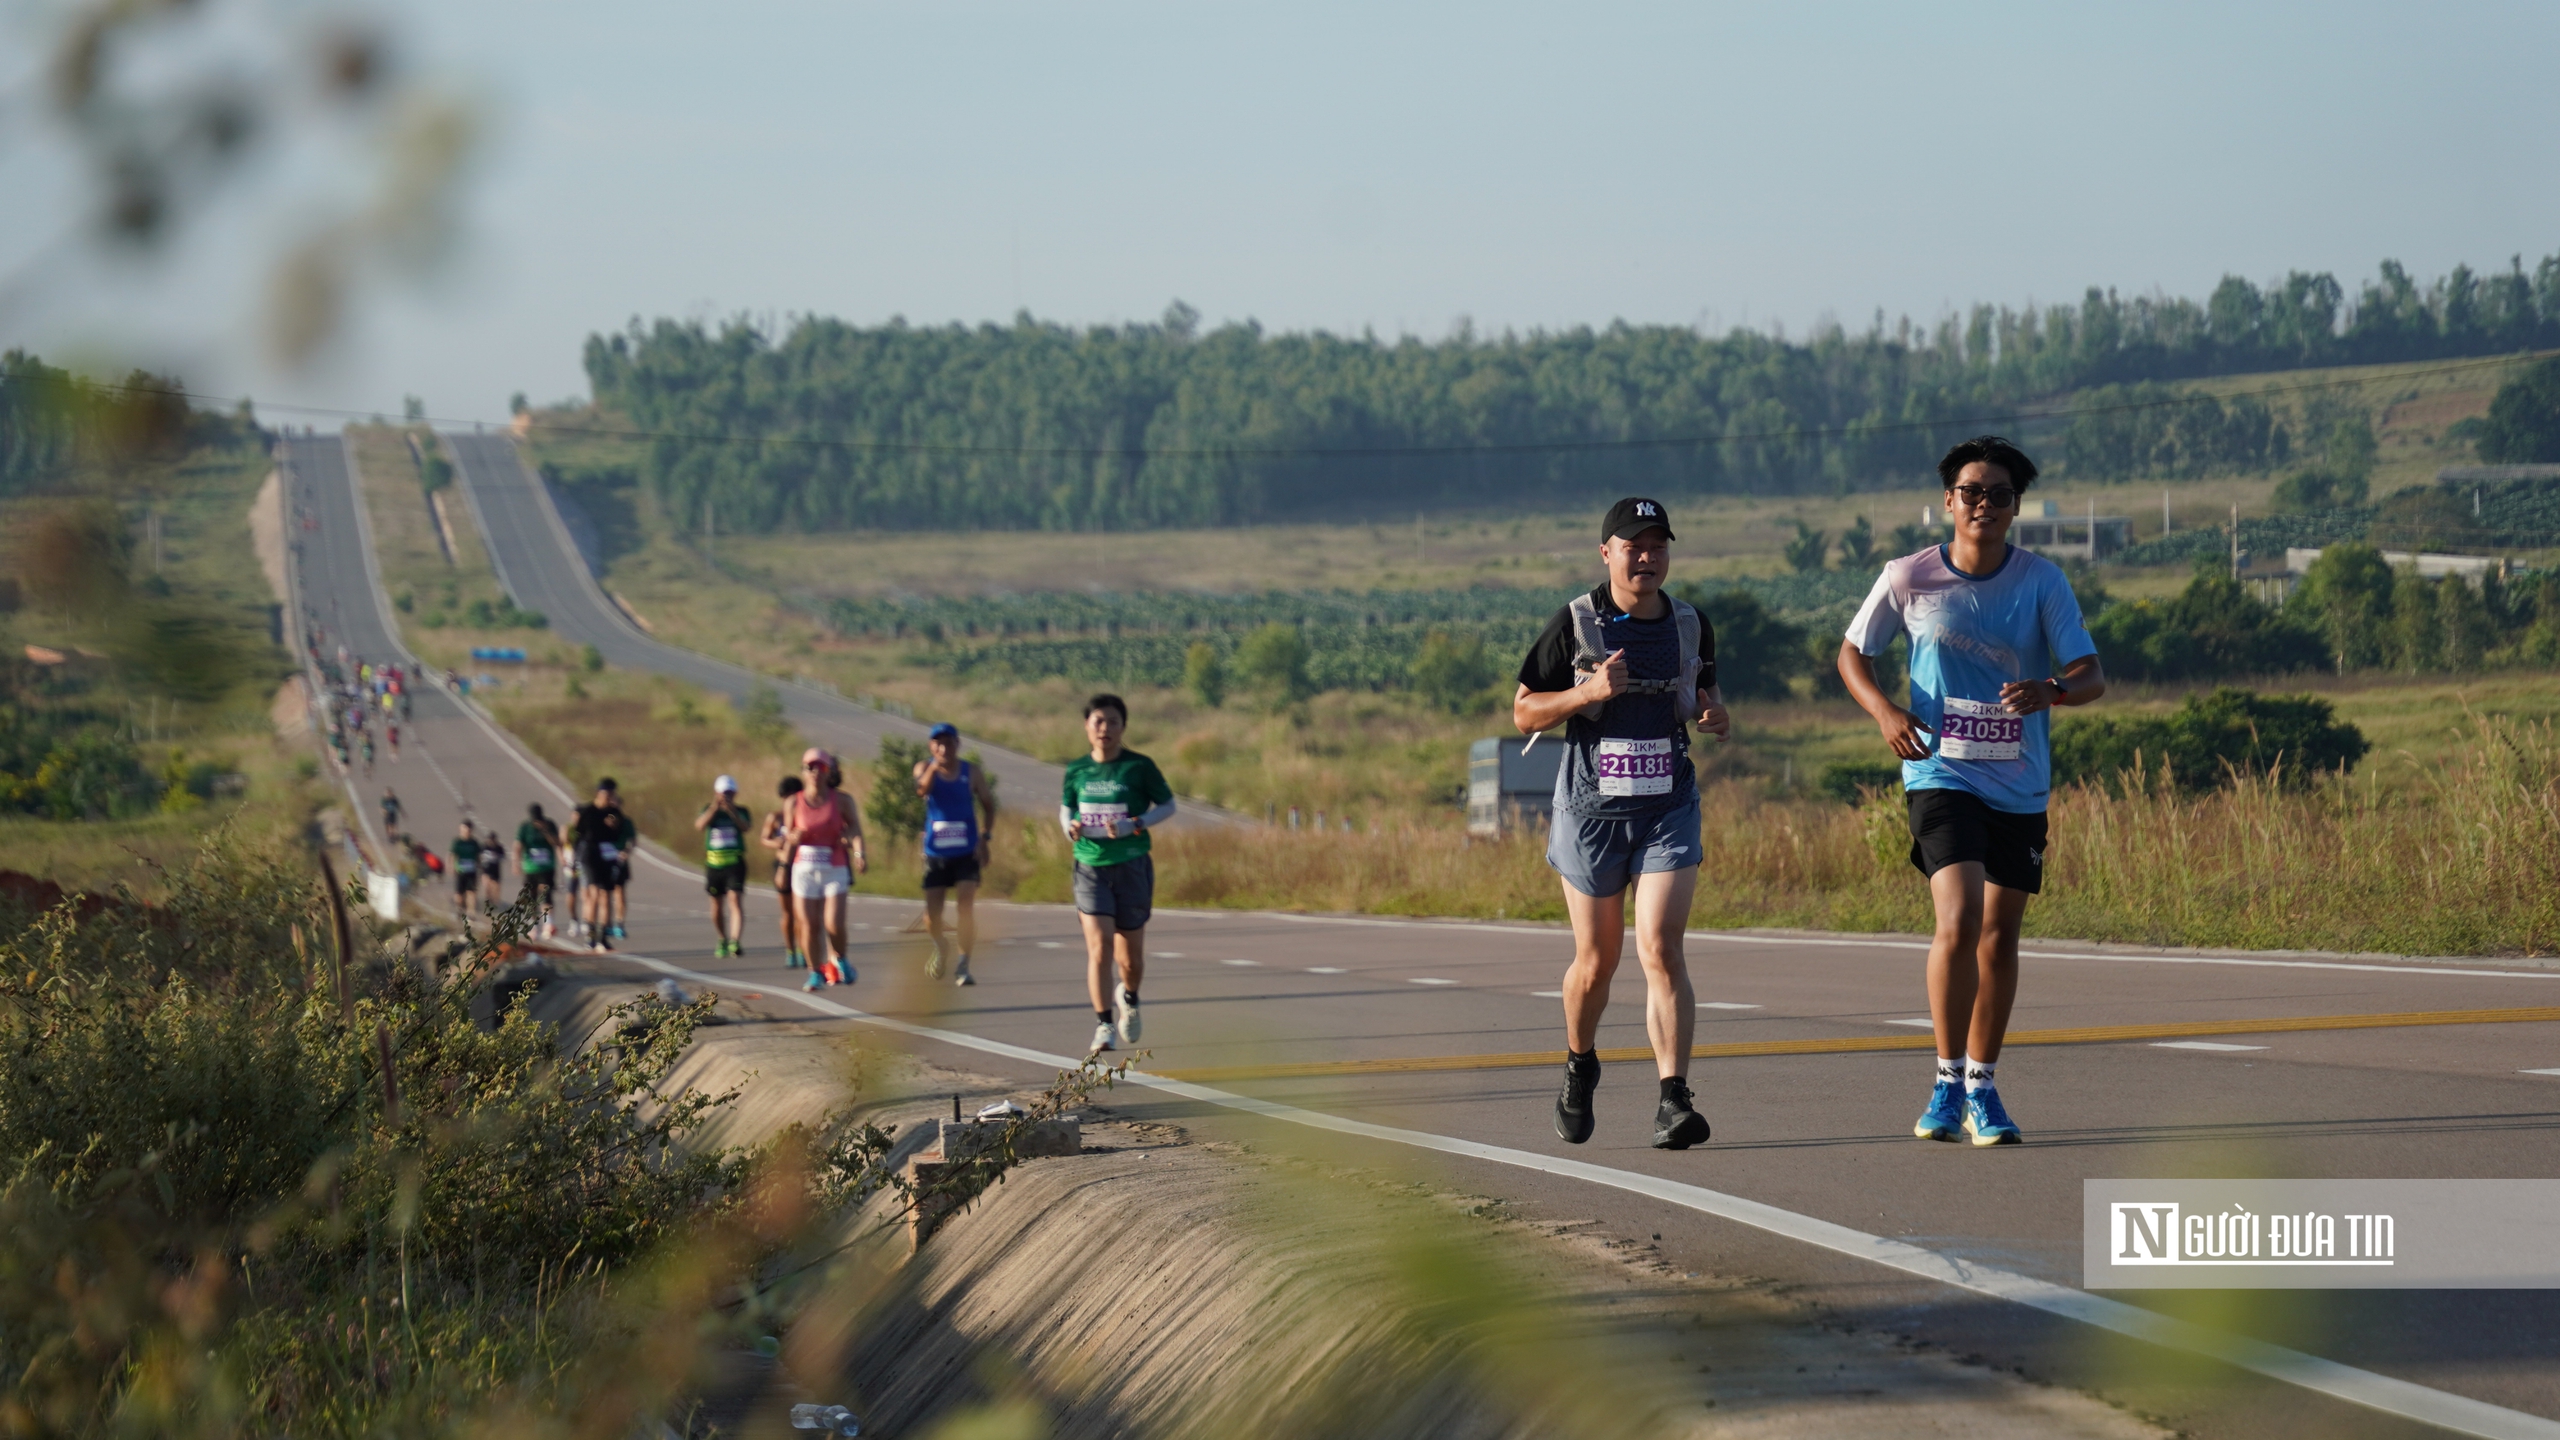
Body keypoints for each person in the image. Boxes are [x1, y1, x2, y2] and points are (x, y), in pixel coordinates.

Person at [1839, 436, 2105, 1148]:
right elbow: (1852, 652)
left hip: (2018, 780)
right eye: (1972, 492)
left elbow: (2090, 674)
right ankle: (1945, 1079)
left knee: (1998, 935)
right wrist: (1887, 713)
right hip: (1940, 771)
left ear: (2015, 508)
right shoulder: (1909, 576)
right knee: (1957, 918)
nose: (1984, 504)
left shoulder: (2042, 582)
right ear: (1948, 501)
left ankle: (1984, 1086)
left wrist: (2051, 689)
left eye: (2000, 495)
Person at [1513, 497, 1729, 1151]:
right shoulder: (1576, 622)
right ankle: (1580, 1065)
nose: (1646, 556)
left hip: (1668, 807)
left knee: (1661, 948)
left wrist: (1713, 715)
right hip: (1592, 814)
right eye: (1633, 545)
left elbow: (1705, 694)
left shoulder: (1690, 623)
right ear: (1606, 553)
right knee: (1597, 962)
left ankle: (1673, 1099)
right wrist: (1585, 694)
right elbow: (1523, 714)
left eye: (1658, 545)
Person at [1060, 694, 1173, 1056]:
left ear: (1123, 727)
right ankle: (1104, 1024)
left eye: (1112, 722)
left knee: (1129, 960)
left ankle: (1130, 997)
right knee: (1100, 948)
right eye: (1098, 721)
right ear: (1087, 727)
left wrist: (1135, 824)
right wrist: (1071, 828)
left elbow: (1168, 805)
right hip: (1091, 866)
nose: (1104, 728)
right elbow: (1066, 810)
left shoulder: (1139, 767)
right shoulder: (1077, 769)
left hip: (1132, 866)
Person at [914, 722, 996, 986]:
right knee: (932, 915)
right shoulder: (924, 768)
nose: (943, 748)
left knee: (965, 906)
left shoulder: (971, 772)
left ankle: (963, 964)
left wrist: (984, 837)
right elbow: (921, 791)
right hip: (936, 852)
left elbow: (988, 805)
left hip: (965, 851)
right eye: (938, 743)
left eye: (948, 743)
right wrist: (933, 769)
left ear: (957, 745)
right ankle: (940, 945)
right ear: (931, 746)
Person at [780, 748, 866, 990]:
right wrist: (785, 861)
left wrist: (859, 852)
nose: (816, 772)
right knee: (808, 924)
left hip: (834, 868)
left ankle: (841, 960)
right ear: (803, 771)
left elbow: (855, 829)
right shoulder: (792, 802)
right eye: (811, 767)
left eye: (822, 768)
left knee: (833, 924)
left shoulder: (841, 800)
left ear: (829, 772)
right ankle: (814, 971)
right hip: (804, 869)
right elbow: (788, 836)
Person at [695, 775, 753, 958]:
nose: (726, 797)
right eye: (723, 793)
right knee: (716, 905)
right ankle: (722, 938)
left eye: (729, 793)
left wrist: (732, 812)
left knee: (735, 900)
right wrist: (714, 808)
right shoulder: (709, 810)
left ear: (734, 793)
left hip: (734, 863)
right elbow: (699, 825)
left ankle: (735, 940)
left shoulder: (742, 810)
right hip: (714, 863)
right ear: (716, 793)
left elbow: (745, 827)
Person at [568, 781, 624, 950]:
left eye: (612, 795)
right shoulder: (588, 812)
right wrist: (575, 860)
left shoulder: (614, 813)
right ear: (599, 794)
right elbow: (578, 836)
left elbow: (617, 835)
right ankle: (591, 934)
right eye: (607, 795)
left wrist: (613, 826)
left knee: (606, 896)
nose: (609, 799)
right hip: (589, 856)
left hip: (607, 856)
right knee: (593, 894)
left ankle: (602, 936)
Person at [762, 775, 807, 968]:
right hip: (782, 866)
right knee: (787, 913)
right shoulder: (776, 817)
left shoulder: (805, 816)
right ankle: (790, 951)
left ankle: (802, 949)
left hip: (801, 865)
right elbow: (764, 838)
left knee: (801, 913)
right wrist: (775, 842)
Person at [519, 803, 562, 936]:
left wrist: (545, 831)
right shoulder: (525, 827)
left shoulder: (550, 824)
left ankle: (549, 924)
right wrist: (516, 861)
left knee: (546, 893)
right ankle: (533, 925)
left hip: (547, 866)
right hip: (530, 867)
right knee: (532, 896)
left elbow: (557, 843)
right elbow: (518, 844)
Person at [450, 820, 482, 917]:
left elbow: (478, 856)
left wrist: (480, 867)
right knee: (459, 893)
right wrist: (452, 867)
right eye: (464, 829)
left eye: (468, 830)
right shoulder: (457, 842)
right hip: (460, 870)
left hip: (472, 871)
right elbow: (452, 855)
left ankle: (471, 911)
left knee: (471, 892)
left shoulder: (474, 843)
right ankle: (459, 908)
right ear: (461, 829)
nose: (466, 832)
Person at [478, 830, 506, 913]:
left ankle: (495, 903)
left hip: (495, 870)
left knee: (496, 888)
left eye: (492, 839)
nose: (491, 841)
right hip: (486, 870)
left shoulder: (499, 848)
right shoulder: (484, 847)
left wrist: (496, 857)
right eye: (489, 839)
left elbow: (502, 857)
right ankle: (488, 901)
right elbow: (479, 857)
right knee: (487, 886)